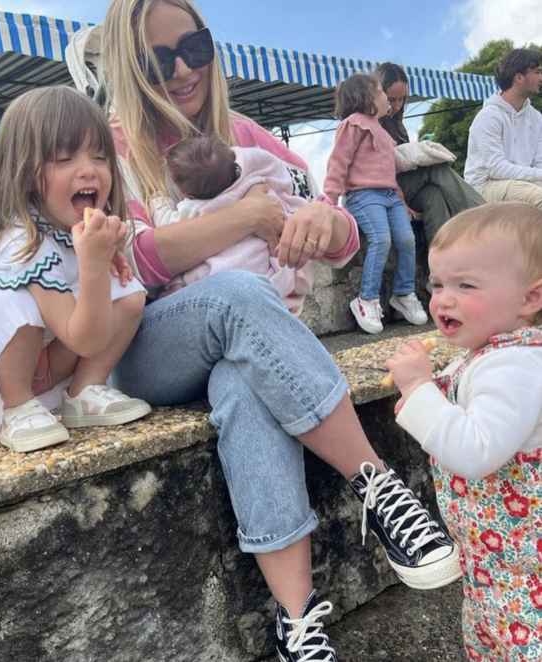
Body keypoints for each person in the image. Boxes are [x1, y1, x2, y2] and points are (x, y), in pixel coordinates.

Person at [97, 2, 462, 659]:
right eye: (159, 59)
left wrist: (328, 224)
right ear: (130, 66)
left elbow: (341, 233)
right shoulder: (111, 147)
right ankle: (379, 487)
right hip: (142, 346)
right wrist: (245, 219)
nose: (183, 69)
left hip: (235, 346)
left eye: (195, 46)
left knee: (241, 383)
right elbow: (128, 261)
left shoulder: (246, 135)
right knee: (238, 293)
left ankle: (299, 626)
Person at [386, 202, 542, 661]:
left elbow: (476, 452)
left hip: (523, 571)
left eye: (465, 285)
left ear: (530, 299)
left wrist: (417, 387)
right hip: (496, 562)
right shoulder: (492, 356)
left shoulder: (513, 366)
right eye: (437, 284)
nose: (442, 300)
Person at [0, 86, 152, 453]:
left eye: (99, 156)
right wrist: (94, 266)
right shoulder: (21, 240)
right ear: (25, 172)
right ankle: (15, 410)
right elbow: (82, 337)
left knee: (128, 292)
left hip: (50, 350)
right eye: (63, 159)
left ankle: (82, 392)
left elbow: (87, 321)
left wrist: (103, 262)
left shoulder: (71, 230)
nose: (88, 170)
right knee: (13, 304)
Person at [156, 135, 314, 315]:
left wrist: (158, 202)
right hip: (266, 280)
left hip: (220, 284)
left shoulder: (194, 210)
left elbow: (166, 224)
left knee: (183, 284)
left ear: (185, 192)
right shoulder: (257, 187)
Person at [324, 73, 428, 335]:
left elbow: (388, 174)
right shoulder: (353, 124)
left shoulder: (380, 128)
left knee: (406, 239)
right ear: (367, 96)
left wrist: (402, 202)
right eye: (382, 91)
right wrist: (329, 198)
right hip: (363, 195)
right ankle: (366, 298)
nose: (388, 98)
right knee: (381, 239)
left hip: (391, 196)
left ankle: (403, 293)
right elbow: (339, 162)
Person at [377, 62, 484, 248]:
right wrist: (399, 199)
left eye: (401, 99)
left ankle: (442, 262)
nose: (396, 106)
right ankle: (485, 218)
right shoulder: (370, 123)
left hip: (401, 187)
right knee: (436, 167)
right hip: (383, 190)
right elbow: (376, 170)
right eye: (391, 99)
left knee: (433, 196)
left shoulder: (397, 124)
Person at [464, 49, 542, 209]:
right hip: (484, 186)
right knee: (539, 197)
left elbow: (539, 162)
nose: (541, 78)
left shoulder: (536, 117)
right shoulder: (488, 116)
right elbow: (497, 169)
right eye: (537, 72)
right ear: (519, 77)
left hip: (520, 182)